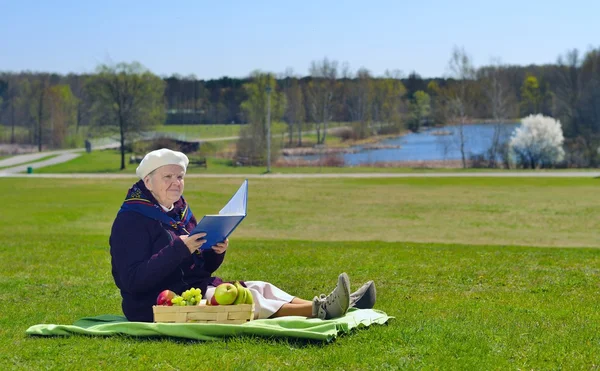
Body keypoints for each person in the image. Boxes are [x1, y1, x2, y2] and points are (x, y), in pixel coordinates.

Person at [109, 148, 376, 322]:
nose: (176, 183)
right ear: (148, 182)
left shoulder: (179, 211)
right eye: (168, 176)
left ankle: (338, 304)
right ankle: (324, 310)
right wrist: (180, 248)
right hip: (153, 305)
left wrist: (215, 252)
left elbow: (196, 265)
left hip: (189, 288)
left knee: (260, 286)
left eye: (180, 177)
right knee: (251, 300)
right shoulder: (131, 219)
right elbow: (132, 281)